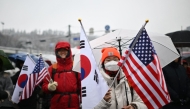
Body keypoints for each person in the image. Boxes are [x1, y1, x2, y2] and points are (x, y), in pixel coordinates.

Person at [42, 41, 81, 109]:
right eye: (60, 50)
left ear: (69, 51)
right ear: (57, 52)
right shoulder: (52, 68)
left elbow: (81, 86)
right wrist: (48, 87)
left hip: (73, 104)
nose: (62, 52)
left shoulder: (76, 66)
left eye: (65, 50)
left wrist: (83, 101)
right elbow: (44, 85)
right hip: (57, 104)